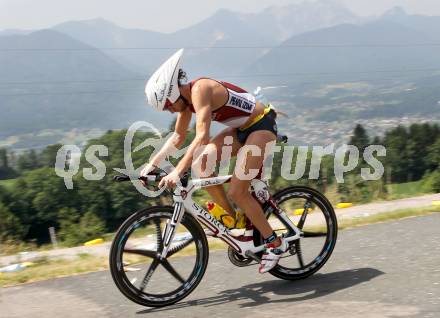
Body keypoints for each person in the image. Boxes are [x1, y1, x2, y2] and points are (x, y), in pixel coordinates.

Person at [142, 49, 288, 273]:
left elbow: (202, 137)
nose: (169, 111)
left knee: (238, 191)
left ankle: (275, 244)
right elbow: (178, 137)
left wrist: (176, 171)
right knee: (201, 165)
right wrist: (153, 164)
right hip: (241, 130)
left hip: (261, 126)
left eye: (168, 105)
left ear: (172, 93)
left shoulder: (200, 90)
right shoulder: (188, 102)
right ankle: (233, 220)